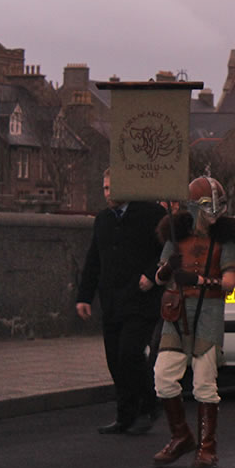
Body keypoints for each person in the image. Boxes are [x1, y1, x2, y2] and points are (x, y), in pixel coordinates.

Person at [152, 175, 235, 468]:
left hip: (208, 312)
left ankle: (208, 448)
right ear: (194, 206)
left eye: (217, 206)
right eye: (207, 206)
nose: (213, 212)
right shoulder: (176, 237)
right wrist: (170, 267)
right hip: (176, 312)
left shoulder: (226, 241)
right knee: (163, 378)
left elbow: (229, 284)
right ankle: (181, 436)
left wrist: (198, 279)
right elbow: (158, 278)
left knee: (204, 383)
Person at [76, 169, 167, 435]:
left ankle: (148, 406)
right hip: (112, 300)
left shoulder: (152, 215)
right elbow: (94, 259)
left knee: (130, 354)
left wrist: (152, 276)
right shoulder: (103, 220)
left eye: (111, 188)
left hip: (141, 299)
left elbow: (168, 251)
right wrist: (84, 296)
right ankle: (124, 415)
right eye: (104, 189)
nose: (107, 194)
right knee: (115, 360)